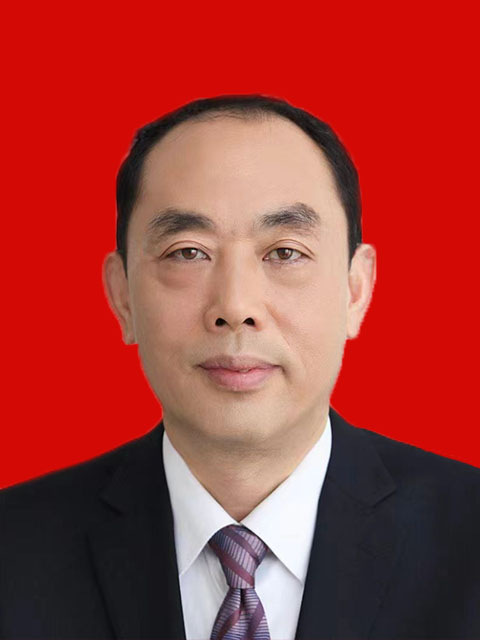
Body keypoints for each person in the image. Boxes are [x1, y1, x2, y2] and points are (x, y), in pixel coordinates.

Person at [1, 94, 479, 640]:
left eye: (285, 252)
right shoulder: (14, 551)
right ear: (123, 296)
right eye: (187, 252)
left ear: (355, 289)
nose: (235, 306)